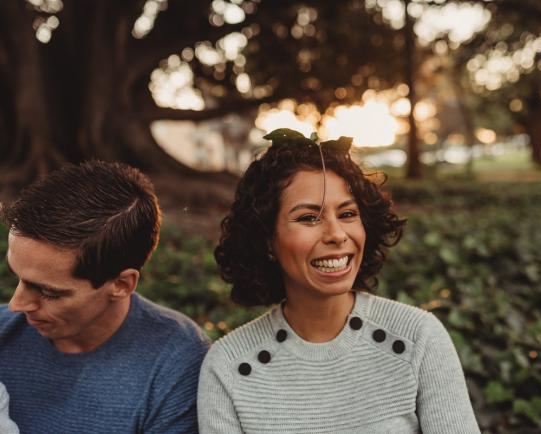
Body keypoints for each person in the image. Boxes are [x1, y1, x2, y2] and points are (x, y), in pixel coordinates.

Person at [198, 129, 481, 433]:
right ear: (267, 240)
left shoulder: (418, 339)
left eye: (347, 214)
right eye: (308, 218)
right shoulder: (229, 367)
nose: (336, 234)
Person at [0, 160, 211, 433]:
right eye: (18, 277)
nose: (17, 304)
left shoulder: (175, 364)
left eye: (49, 292)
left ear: (122, 284)